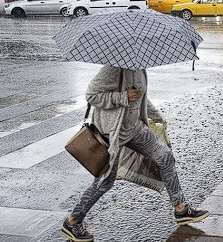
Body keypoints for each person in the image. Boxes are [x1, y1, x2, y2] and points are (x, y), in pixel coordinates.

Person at [61, 66, 210, 242]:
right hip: (112, 133)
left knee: (165, 155)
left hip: (134, 129)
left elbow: (141, 99)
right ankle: (73, 221)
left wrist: (158, 117)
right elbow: (92, 95)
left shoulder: (140, 69)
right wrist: (123, 97)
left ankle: (181, 208)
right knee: (105, 182)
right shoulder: (113, 70)